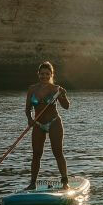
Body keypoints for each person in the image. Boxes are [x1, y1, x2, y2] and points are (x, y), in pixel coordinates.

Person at [25, 61, 71, 190]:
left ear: (51, 74)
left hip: (54, 122)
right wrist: (29, 119)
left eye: (47, 74)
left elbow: (66, 106)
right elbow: (28, 109)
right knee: (36, 154)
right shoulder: (32, 89)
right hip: (38, 124)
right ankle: (32, 183)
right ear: (38, 74)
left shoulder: (56, 89)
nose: (44, 76)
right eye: (42, 74)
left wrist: (63, 95)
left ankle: (65, 182)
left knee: (57, 152)